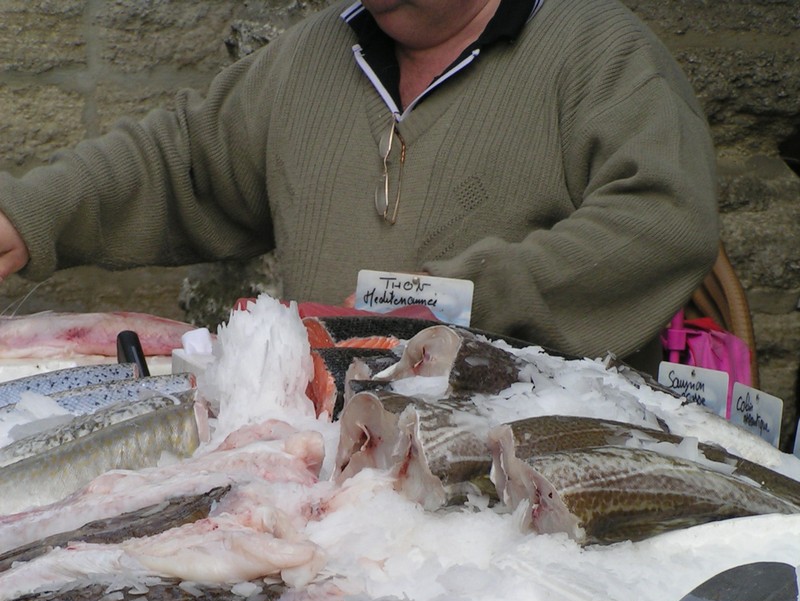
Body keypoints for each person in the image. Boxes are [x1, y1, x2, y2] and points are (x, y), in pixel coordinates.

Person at [0, 0, 719, 372]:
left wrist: (452, 303)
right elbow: (182, 159)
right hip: (328, 462)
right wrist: (28, 214)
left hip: (526, 473)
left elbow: (661, 219)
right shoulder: (313, 54)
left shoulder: (600, 49)